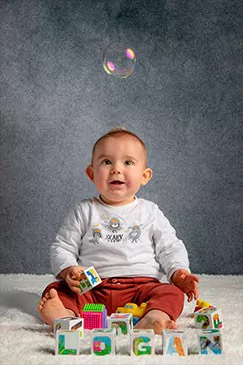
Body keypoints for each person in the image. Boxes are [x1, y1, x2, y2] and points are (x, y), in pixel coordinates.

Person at [38, 127, 199, 334]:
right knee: (57, 290)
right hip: (94, 288)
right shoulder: (84, 210)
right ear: (91, 173)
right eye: (106, 162)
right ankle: (64, 318)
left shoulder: (149, 211)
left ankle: (153, 318)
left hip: (141, 287)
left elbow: (170, 246)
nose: (116, 169)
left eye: (128, 162)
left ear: (145, 176)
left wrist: (178, 272)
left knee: (171, 293)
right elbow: (62, 247)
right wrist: (69, 269)